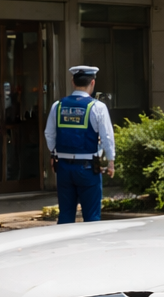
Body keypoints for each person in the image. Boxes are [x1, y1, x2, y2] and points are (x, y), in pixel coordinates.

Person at [44, 65, 115, 223]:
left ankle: (64, 247)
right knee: (91, 217)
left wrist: (54, 152)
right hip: (88, 168)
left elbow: (49, 133)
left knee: (65, 215)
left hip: (63, 167)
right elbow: (107, 137)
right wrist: (110, 161)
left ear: (72, 82)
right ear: (93, 83)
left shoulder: (58, 106)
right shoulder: (97, 107)